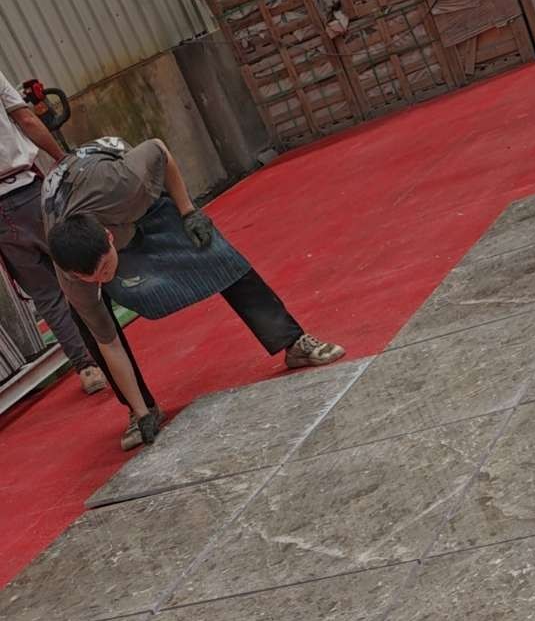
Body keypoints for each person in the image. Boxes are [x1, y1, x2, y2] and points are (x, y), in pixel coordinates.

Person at [44, 136, 346, 449]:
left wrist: (188, 212)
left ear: (109, 238)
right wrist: (140, 410)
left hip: (122, 191)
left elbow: (159, 147)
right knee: (91, 325)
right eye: (91, 277)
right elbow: (109, 343)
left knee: (216, 253)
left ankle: (293, 342)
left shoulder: (125, 185)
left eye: (106, 269)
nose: (103, 279)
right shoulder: (72, 276)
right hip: (82, 210)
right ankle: (141, 409)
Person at [0, 68, 118, 402]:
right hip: (27, 193)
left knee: (45, 293)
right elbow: (27, 119)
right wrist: (62, 159)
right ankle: (110, 345)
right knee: (75, 267)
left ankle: (87, 368)